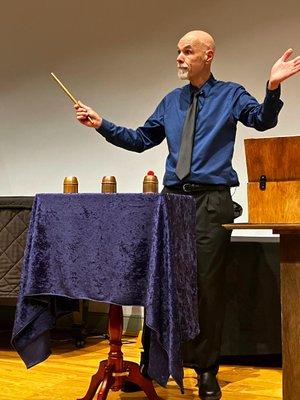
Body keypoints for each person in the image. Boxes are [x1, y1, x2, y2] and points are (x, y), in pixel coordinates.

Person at [74, 30, 300, 400]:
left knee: (207, 290)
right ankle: (152, 365)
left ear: (208, 56)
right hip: (172, 202)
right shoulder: (171, 102)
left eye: (187, 51)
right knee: (162, 284)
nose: (179, 57)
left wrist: (272, 88)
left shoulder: (231, 94)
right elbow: (140, 139)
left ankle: (206, 370)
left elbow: (262, 120)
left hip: (211, 202)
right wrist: (102, 124)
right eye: (178, 51)